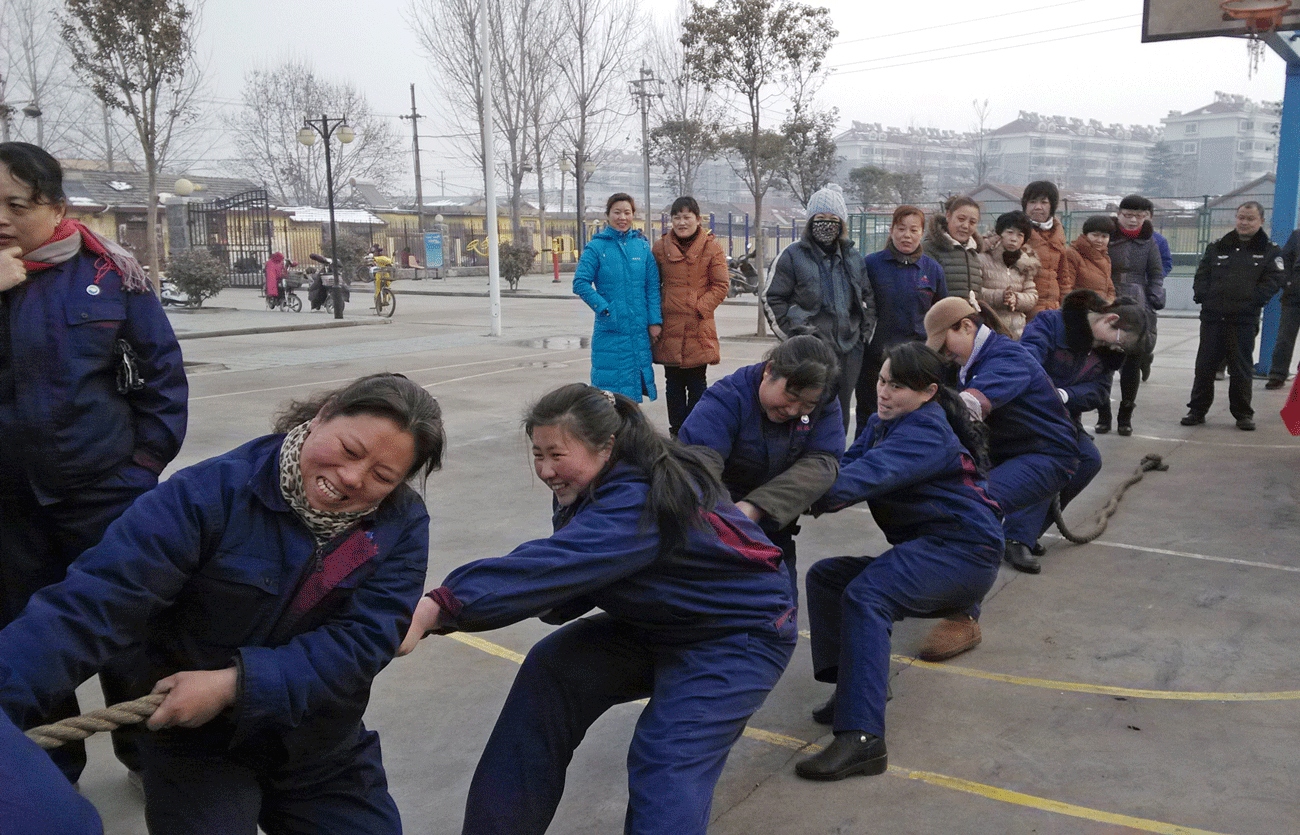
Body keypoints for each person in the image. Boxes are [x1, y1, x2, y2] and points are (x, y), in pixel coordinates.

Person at [0, 373, 445, 834]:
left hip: (320, 742)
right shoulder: (206, 495)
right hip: (197, 744)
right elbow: (94, 605)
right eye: (350, 450)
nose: (352, 478)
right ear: (323, 415)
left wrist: (235, 685)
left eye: (382, 476)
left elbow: (363, 641)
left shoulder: (400, 525)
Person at [399, 383, 796, 835]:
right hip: (663, 619)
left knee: (668, 755)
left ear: (607, 446)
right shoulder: (590, 485)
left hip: (737, 637)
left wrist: (439, 607)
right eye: (537, 455)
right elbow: (574, 572)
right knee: (551, 672)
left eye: (557, 455)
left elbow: (555, 563)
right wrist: (551, 595)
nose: (546, 470)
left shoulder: (640, 497)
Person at [0, 141, 188, 783]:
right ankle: (51, 772)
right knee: (25, 639)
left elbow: (162, 373)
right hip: (11, 505)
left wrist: (139, 469)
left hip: (103, 494)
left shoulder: (110, 273)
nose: (2, 218)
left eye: (16, 204)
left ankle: (146, 759)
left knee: (127, 633)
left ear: (56, 207)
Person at [793, 342, 1003, 781]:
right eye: (882, 381)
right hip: (933, 547)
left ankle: (863, 739)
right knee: (828, 578)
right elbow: (840, 470)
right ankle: (856, 688)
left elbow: (857, 480)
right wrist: (794, 478)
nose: (884, 393)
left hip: (964, 552)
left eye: (898, 387)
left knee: (867, 595)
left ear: (928, 392)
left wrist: (778, 494)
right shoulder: (881, 424)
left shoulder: (925, 432)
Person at [914, 296, 1080, 657]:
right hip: (1008, 451)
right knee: (938, 501)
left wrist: (911, 414)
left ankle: (964, 617)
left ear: (967, 326)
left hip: (1046, 456)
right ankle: (942, 582)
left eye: (946, 344)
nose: (945, 355)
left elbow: (970, 406)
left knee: (976, 509)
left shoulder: (1007, 357)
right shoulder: (970, 361)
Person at [678, 334, 844, 602]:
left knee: (779, 609)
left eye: (807, 405)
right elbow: (696, 463)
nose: (794, 410)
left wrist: (755, 508)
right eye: (791, 396)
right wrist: (724, 516)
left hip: (773, 529)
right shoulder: (727, 397)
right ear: (769, 370)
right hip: (712, 529)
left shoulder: (823, 402)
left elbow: (824, 461)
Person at [1019, 290, 1150, 554]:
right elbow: (1026, 363)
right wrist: (1047, 394)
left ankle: (1029, 532)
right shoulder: (1050, 324)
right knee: (1054, 457)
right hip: (1026, 414)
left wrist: (1066, 395)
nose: (1117, 349)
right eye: (1120, 341)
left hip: (1063, 418)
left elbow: (1099, 391)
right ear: (1111, 319)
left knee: (1089, 460)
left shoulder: (1106, 353)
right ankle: (1016, 537)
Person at [765, 183, 876, 435]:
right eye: (820, 217)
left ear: (842, 223)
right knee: (803, 410)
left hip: (850, 351)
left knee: (839, 415)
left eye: (833, 219)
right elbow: (772, 298)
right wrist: (794, 338)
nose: (827, 224)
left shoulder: (854, 258)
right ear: (810, 221)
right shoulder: (792, 255)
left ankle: (834, 456)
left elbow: (868, 298)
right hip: (810, 352)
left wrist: (863, 336)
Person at [1183, 201, 1285, 431]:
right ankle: (1197, 410)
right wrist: (1204, 297)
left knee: (1241, 368)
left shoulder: (1270, 251)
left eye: (1250, 218)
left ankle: (1243, 414)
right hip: (1213, 317)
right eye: (1241, 217)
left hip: (1243, 319)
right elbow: (1202, 274)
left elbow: (1274, 280)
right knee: (1205, 366)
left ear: (1261, 221)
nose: (1244, 222)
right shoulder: (1218, 246)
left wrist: (1253, 300)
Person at [856, 205, 946, 437]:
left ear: (922, 233)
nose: (907, 235)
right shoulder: (871, 264)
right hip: (876, 358)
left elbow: (941, 315)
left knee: (911, 420)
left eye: (914, 230)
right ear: (891, 230)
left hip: (916, 361)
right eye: (901, 228)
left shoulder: (932, 269)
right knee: (870, 417)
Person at [650, 196, 729, 436]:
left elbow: (721, 285)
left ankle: (695, 433)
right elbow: (652, 285)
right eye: (677, 217)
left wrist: (698, 308)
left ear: (697, 219)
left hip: (698, 327)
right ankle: (676, 433)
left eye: (687, 217)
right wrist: (656, 317)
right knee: (672, 384)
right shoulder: (660, 248)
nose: (682, 222)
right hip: (670, 327)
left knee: (697, 383)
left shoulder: (712, 247)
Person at [573, 193, 663, 402]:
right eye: (617, 212)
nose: (622, 217)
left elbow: (652, 287)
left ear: (633, 215)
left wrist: (654, 321)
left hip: (639, 330)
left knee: (634, 392)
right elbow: (580, 282)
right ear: (608, 215)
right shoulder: (596, 247)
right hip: (611, 329)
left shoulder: (642, 247)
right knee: (609, 395)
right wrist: (604, 308)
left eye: (627, 212)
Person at [1100, 195, 1165, 436]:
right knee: (1103, 362)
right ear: (1119, 214)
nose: (1133, 220)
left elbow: (1156, 274)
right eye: (1127, 215)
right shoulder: (1106, 236)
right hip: (1108, 300)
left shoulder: (1150, 242)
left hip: (1139, 304)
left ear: (1146, 217)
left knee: (1132, 362)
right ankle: (1103, 414)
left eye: (1138, 216)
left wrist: (1155, 295)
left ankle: (1125, 416)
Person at [978, 210, 1039, 339]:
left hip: (1017, 333)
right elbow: (975, 292)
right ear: (1000, 233)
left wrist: (1016, 299)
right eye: (1010, 232)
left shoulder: (1026, 264)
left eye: (1020, 235)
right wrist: (1000, 296)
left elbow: (1032, 296)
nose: (1013, 239)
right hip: (988, 329)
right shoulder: (982, 259)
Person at [1022, 180, 1075, 317]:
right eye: (1032, 202)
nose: (1038, 207)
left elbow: (1063, 277)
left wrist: (1068, 307)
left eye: (1044, 202)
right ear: (1025, 205)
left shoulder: (1058, 234)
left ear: (1052, 206)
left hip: (1053, 309)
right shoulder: (1017, 232)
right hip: (1025, 309)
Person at [923, 195, 984, 301]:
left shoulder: (973, 253)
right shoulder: (929, 249)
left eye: (972, 222)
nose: (965, 226)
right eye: (961, 219)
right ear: (948, 216)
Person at [1265, 228, 1300, 390]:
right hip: (1294, 295)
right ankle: (1277, 375)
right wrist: (1287, 282)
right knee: (1285, 337)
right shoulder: (1297, 235)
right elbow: (1284, 259)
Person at [1071, 216, 1116, 302]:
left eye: (1104, 237)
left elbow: (1110, 289)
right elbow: (1066, 286)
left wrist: (1109, 304)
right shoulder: (1073, 254)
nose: (1099, 240)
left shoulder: (1105, 258)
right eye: (1095, 235)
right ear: (1086, 235)